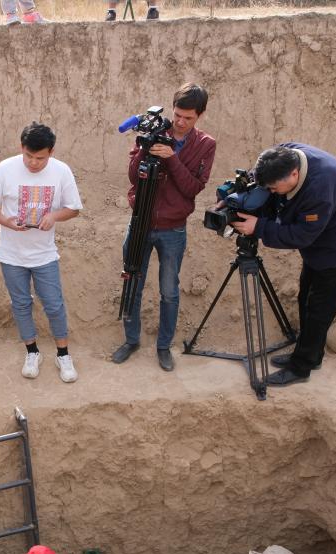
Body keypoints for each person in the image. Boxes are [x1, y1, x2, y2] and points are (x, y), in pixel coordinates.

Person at [229, 143, 336, 387]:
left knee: (319, 308)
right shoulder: (285, 154)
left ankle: (302, 367)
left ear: (294, 175)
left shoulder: (320, 187)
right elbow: (261, 180)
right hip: (320, 241)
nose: (272, 192)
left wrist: (259, 227)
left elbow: (303, 235)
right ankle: (310, 353)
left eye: (274, 188)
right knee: (306, 296)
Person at [112, 83, 216, 371]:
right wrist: (145, 150)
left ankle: (163, 347)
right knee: (133, 281)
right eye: (178, 115)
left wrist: (173, 159)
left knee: (169, 291)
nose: (180, 122)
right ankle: (131, 341)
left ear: (200, 116)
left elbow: (192, 188)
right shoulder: (154, 130)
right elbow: (134, 177)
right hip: (140, 223)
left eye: (189, 118)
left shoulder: (206, 144)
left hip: (173, 228)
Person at [0, 122, 82, 383]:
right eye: (29, 156)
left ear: (51, 152)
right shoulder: (5, 169)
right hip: (11, 254)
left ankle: (63, 354)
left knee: (53, 303)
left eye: (40, 158)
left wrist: (54, 216)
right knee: (21, 304)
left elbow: (73, 208)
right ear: (21, 148)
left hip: (44, 254)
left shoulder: (61, 172)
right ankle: (32, 352)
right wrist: (7, 222)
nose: (34, 163)